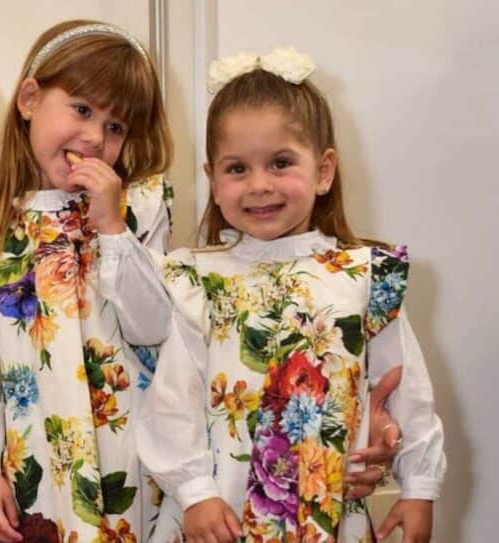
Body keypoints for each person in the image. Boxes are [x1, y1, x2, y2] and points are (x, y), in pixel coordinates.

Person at [136, 47, 446, 543]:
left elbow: (406, 388)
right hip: (221, 515)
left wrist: (419, 488)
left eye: (280, 163)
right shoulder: (198, 279)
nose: (259, 185)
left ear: (323, 171)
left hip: (326, 516)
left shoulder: (365, 276)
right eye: (237, 168)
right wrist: (194, 492)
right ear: (212, 180)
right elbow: (173, 397)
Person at [0, 20, 180, 542]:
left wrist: (112, 228)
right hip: (38, 460)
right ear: (29, 100)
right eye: (82, 110)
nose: (94, 138)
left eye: (116, 127)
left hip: (131, 459)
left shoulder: (139, 209)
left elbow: (154, 326)